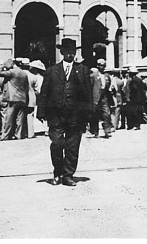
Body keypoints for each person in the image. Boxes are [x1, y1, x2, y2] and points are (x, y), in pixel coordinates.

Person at [37, 38, 93, 187]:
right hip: (56, 115)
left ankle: (68, 175)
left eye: (73, 51)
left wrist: (88, 115)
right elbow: (44, 93)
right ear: (61, 52)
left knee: (72, 147)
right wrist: (41, 112)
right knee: (56, 144)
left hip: (76, 116)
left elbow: (88, 95)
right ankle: (57, 172)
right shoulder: (51, 71)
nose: (70, 54)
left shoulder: (83, 70)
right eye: (67, 51)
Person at [0, 58, 29, 140]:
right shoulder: (24, 73)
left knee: (9, 118)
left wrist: (3, 66)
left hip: (13, 98)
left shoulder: (12, 72)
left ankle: (6, 136)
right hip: (22, 98)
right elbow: (26, 87)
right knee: (20, 118)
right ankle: (18, 135)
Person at [89, 59, 113, 138]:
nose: (102, 67)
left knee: (107, 114)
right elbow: (89, 87)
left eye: (103, 65)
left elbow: (108, 86)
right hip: (95, 97)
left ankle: (107, 131)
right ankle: (96, 132)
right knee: (95, 115)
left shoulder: (107, 76)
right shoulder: (93, 76)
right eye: (100, 65)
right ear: (98, 66)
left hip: (104, 97)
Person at [29, 60, 46, 136]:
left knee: (36, 111)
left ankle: (37, 128)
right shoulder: (42, 77)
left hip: (38, 97)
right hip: (39, 96)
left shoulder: (37, 78)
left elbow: (38, 89)